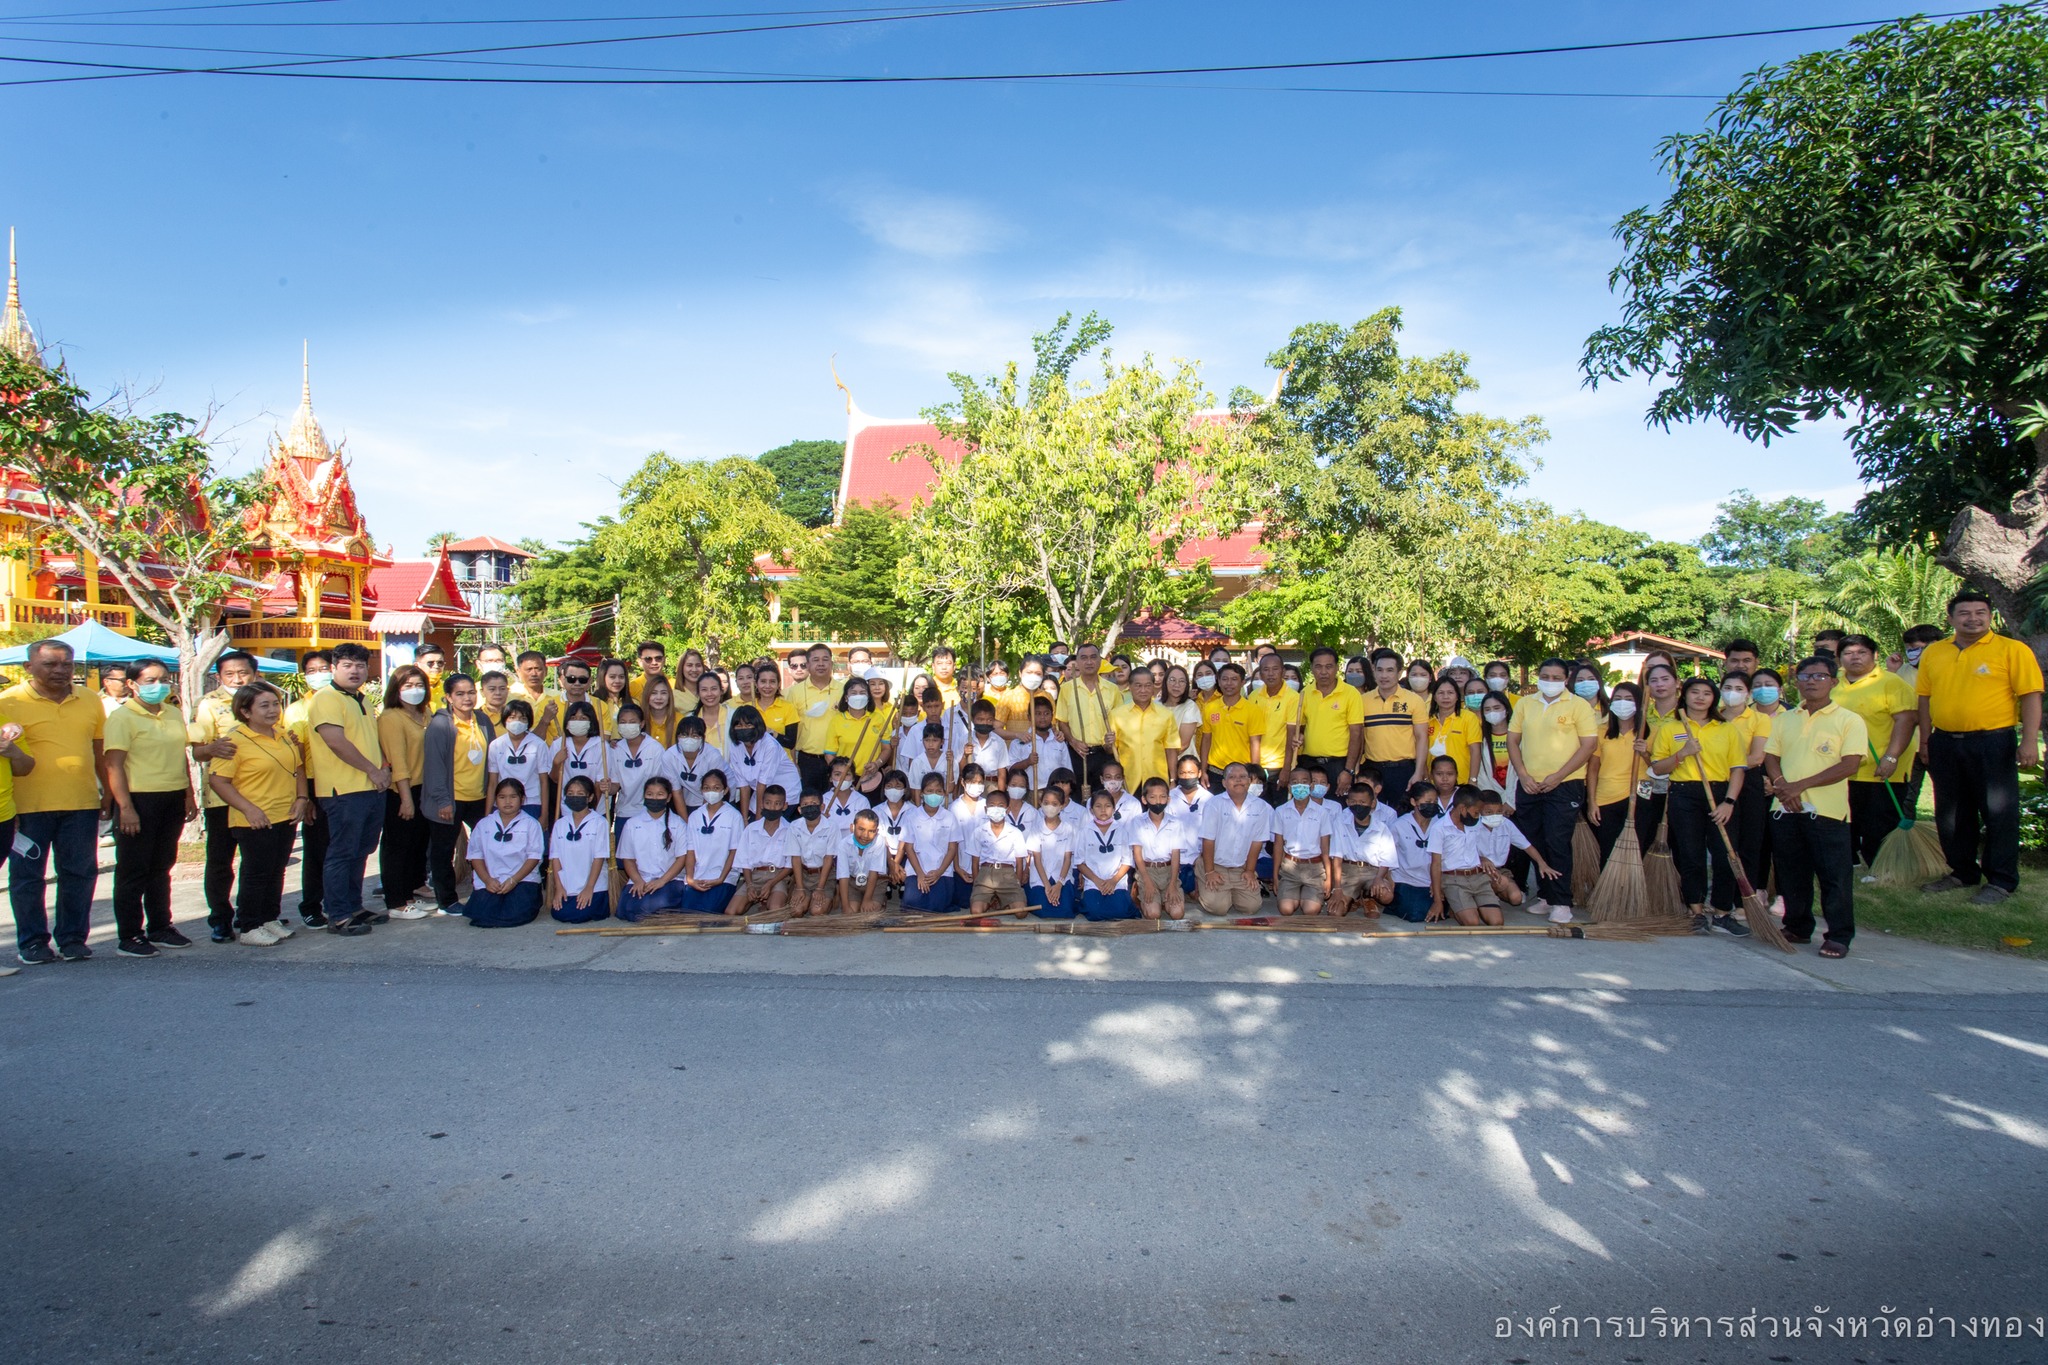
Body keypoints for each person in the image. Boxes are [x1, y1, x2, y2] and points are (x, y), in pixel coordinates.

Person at [1916, 590, 2044, 904]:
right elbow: (1924, 698)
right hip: (1945, 742)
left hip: (1993, 742)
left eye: (1980, 612)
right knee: (1951, 814)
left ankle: (2001, 881)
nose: (1973, 618)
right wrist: (1925, 739)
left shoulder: (2012, 650)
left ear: (1990, 616)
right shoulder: (1934, 652)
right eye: (1965, 613)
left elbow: (2030, 696)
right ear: (1951, 618)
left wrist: (2029, 741)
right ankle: (1962, 872)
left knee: (1998, 812)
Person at [3, 639, 106, 964]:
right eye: (50, 664)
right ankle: (32, 942)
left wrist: (110, 793)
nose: (60, 670)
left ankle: (73, 938)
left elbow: (99, 750)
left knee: (80, 872)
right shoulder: (8, 702)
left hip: (82, 802)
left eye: (67, 664)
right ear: (28, 667)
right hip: (27, 807)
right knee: (27, 878)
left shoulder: (90, 699)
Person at [1765, 655, 1868, 957]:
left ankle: (1838, 935)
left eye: (1819, 676)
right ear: (1796, 682)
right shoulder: (1785, 718)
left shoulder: (1848, 720)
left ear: (1834, 682)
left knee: (1833, 876)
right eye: (1805, 676)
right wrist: (1783, 785)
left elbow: (1849, 765)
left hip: (1828, 812)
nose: (1811, 681)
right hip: (1784, 808)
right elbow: (1772, 756)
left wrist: (1800, 785)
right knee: (1791, 873)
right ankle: (1797, 926)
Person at [102, 660, 195, 957]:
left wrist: (189, 794)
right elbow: (113, 765)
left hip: (171, 796)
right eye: (150, 680)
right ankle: (130, 934)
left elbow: (180, 754)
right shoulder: (122, 717)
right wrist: (125, 807)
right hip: (139, 799)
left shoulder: (172, 713)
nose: (158, 685)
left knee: (161, 866)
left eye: (163, 679)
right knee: (133, 870)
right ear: (132, 684)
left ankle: (161, 925)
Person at [205, 681, 308, 946]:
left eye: (275, 703)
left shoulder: (284, 734)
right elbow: (218, 781)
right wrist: (249, 808)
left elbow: (298, 768)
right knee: (256, 872)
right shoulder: (234, 741)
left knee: (277, 870)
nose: (273, 710)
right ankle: (250, 925)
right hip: (253, 818)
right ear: (246, 711)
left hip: (284, 813)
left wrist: (301, 798)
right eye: (264, 705)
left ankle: (268, 918)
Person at [1649, 676, 1751, 935]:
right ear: (1686, 695)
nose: (1700, 697)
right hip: (1684, 793)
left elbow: (1738, 768)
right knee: (1690, 854)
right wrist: (1682, 753)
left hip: (1719, 793)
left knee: (1724, 854)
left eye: (1707, 693)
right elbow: (1657, 767)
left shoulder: (1726, 728)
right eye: (1695, 692)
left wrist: (1729, 802)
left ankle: (1721, 911)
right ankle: (1695, 910)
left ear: (1714, 698)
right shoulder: (1672, 728)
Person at [304, 642, 390, 935]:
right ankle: (338, 913)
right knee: (341, 852)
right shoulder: (326, 699)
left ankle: (354, 906)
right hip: (343, 790)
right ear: (333, 668)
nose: (355, 671)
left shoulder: (363, 700)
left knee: (360, 852)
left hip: (371, 788)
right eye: (347, 665)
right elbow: (335, 741)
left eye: (360, 665)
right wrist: (372, 770)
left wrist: (383, 770)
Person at [1506, 658, 1599, 924]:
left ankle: (1561, 902)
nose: (1550, 680)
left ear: (1566, 679)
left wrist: (1558, 776)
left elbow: (1588, 746)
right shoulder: (1526, 704)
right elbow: (1513, 740)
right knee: (1534, 841)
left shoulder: (1578, 706)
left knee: (1557, 841)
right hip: (1529, 784)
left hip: (1564, 785)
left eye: (1557, 677)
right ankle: (1546, 896)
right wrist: (1523, 775)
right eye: (1545, 675)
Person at [1829, 634, 1920, 872]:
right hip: (1839, 769)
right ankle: (1850, 860)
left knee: (1879, 821)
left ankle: (1881, 866)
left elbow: (1907, 720)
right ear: (1839, 658)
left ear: (1875, 655)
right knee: (1844, 818)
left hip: (1880, 766)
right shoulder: (1831, 682)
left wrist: (1891, 756)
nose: (1855, 658)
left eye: (1862, 653)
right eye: (1848, 653)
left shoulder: (1891, 683)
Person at [188, 650, 260, 938]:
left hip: (261, 794)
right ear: (219, 676)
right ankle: (220, 916)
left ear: (254, 674)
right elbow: (197, 750)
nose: (237, 678)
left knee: (257, 860)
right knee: (221, 860)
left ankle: (252, 913)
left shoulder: (266, 700)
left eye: (242, 672)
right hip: (221, 796)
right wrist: (212, 749)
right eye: (229, 674)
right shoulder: (208, 704)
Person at [423, 673, 495, 914]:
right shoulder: (441, 724)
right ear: (449, 697)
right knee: (444, 851)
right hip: (451, 800)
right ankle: (447, 900)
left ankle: (484, 890)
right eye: (460, 694)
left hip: (480, 797)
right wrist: (443, 801)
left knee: (485, 847)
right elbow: (434, 766)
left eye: (471, 693)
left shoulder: (483, 720)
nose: (467, 698)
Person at [376, 664, 432, 918]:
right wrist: (406, 799)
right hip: (401, 790)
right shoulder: (390, 717)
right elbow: (397, 761)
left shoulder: (426, 713)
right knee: (398, 847)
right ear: (396, 690)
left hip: (425, 788)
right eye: (408, 686)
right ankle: (396, 902)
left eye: (419, 685)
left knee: (417, 844)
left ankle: (410, 893)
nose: (414, 690)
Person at [462, 778, 545, 927]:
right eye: (502, 797)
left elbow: (534, 857)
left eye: (513, 796)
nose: (507, 801)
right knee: (481, 913)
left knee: (515, 913)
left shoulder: (531, 824)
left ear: (522, 799)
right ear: (495, 800)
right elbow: (475, 855)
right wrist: (487, 880)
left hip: (521, 880)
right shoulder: (484, 824)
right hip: (492, 880)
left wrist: (514, 880)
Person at [1583, 680, 1644, 866]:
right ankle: (1609, 892)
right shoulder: (1602, 732)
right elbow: (1593, 769)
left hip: (1639, 797)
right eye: (1618, 698)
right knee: (1608, 852)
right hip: (1606, 798)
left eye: (1628, 698)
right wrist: (1592, 801)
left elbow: (1657, 766)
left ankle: (1634, 892)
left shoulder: (1648, 731)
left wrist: (1645, 752)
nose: (1623, 703)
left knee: (1638, 852)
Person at [1197, 762, 1271, 916]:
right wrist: (1210, 871)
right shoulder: (1214, 804)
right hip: (1215, 865)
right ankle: (1203, 877)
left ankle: (1229, 891)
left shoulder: (1261, 807)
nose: (1238, 780)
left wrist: (1250, 871)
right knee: (1219, 908)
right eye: (1232, 777)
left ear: (1249, 781)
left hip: (1241, 867)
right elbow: (1208, 841)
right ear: (1224, 783)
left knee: (1252, 907)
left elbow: (1257, 842)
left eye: (1243, 777)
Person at [1427, 784, 1506, 926]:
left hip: (1478, 877)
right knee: (1472, 923)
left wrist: (1483, 858)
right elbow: (1436, 863)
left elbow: (1476, 848)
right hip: (1454, 880)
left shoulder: (1475, 823)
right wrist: (1437, 900)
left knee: (1497, 922)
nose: (1478, 817)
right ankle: (1455, 908)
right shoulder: (1439, 828)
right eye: (1476, 813)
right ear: (1462, 809)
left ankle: (1464, 907)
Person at [1362, 648, 1429, 813]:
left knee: (1402, 817)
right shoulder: (1363, 701)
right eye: (1380, 670)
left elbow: (1422, 738)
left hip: (1403, 771)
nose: (1384, 675)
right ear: (1374, 671)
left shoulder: (1414, 701)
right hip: (1372, 770)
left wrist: (1419, 772)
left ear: (1399, 673)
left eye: (1390, 670)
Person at [1054, 642, 1123, 793]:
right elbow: (1062, 721)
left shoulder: (1112, 690)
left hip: (1104, 754)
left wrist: (1110, 744)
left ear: (1100, 661)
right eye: (1084, 658)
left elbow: (1120, 723)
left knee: (1104, 798)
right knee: (1077, 797)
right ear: (1077, 662)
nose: (1089, 662)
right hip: (1077, 753)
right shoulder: (1067, 689)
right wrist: (1073, 741)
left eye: (1093, 657)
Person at [617, 775, 687, 920]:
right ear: (644, 797)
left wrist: (662, 881)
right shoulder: (632, 824)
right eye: (650, 794)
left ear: (668, 798)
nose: (654, 798)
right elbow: (628, 859)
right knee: (626, 909)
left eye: (660, 794)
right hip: (641, 879)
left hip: (669, 880)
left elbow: (682, 859)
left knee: (650, 906)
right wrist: (637, 881)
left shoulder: (678, 824)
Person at [1326, 775, 1394, 916]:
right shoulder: (1340, 823)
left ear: (1372, 803)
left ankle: (1368, 897)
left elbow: (1387, 859)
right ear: (1348, 802)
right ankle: (1354, 898)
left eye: (1363, 802)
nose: (1358, 806)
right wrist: (1337, 888)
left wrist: (1379, 878)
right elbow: (1337, 857)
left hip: (1372, 871)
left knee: (1387, 896)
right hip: (1348, 871)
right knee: (1335, 913)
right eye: (1354, 802)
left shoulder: (1381, 828)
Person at [549, 774, 612, 923]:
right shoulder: (560, 824)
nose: (574, 797)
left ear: (589, 798)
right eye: (570, 794)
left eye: (580, 794)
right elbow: (555, 857)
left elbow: (599, 857)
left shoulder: (599, 822)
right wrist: (559, 888)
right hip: (567, 885)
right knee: (559, 913)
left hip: (593, 885)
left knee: (580, 915)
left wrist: (588, 888)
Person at [1271, 764, 1333, 915]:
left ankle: (1306, 895)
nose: (1300, 786)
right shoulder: (1281, 811)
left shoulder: (1322, 813)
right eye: (1295, 782)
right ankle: (1294, 894)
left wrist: (1329, 878)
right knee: (1286, 910)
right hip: (1289, 867)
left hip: (1315, 868)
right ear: (1290, 786)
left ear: (1311, 786)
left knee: (1311, 910)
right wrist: (1275, 875)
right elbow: (1278, 845)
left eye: (1304, 782)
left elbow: (1325, 847)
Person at [724, 704, 801, 821]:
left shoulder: (770, 745)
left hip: (785, 792)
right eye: (739, 725)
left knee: (767, 826)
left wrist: (758, 820)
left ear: (757, 725)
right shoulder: (735, 746)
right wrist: (744, 820)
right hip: (761, 793)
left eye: (748, 724)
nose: (743, 728)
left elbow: (762, 783)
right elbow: (743, 786)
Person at [1108, 666, 1177, 794]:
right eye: (1138, 686)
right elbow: (1110, 749)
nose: (1143, 690)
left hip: (1157, 781)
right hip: (1128, 782)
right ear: (1130, 686)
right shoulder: (1116, 715)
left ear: (1153, 687)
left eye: (1148, 685)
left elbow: (1171, 749)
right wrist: (1107, 742)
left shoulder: (1166, 715)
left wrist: (1172, 780)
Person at [787, 642, 844, 795]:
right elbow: (790, 730)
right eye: (815, 660)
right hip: (807, 760)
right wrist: (794, 763)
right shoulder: (794, 693)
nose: (821, 664)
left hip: (838, 759)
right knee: (809, 803)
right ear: (808, 664)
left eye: (825, 659)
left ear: (831, 663)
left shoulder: (843, 690)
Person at [681, 772, 742, 914]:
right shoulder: (695, 816)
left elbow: (734, 851)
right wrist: (690, 878)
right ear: (701, 790)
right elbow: (690, 851)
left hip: (723, 878)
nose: (711, 792)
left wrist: (720, 879)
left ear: (725, 790)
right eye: (707, 788)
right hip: (698, 876)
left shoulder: (734, 816)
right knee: (688, 912)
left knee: (708, 911)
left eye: (716, 788)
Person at [901, 772, 961, 911]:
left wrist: (939, 872)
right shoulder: (911, 816)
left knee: (936, 906)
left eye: (938, 791)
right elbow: (908, 848)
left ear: (944, 793)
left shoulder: (949, 817)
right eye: (929, 791)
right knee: (912, 904)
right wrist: (920, 874)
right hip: (917, 871)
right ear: (922, 793)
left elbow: (952, 849)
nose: (933, 794)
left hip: (942, 871)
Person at [1246, 652, 1302, 801]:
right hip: (1256, 765)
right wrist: (1253, 769)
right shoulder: (1253, 697)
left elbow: (1292, 735)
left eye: (1275, 669)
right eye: (1266, 669)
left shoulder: (1293, 698)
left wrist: (1286, 768)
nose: (1270, 674)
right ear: (1260, 672)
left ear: (1282, 672)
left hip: (1279, 766)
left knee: (1279, 811)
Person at [825, 674, 891, 799]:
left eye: (862, 692)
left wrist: (877, 764)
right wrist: (840, 774)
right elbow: (829, 753)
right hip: (845, 780)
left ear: (868, 697)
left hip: (872, 777)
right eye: (853, 693)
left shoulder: (877, 719)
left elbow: (886, 748)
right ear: (846, 697)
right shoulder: (837, 720)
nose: (858, 696)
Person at [964, 788, 1030, 914]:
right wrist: (977, 883)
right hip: (985, 874)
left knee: (1021, 913)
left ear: (1008, 809)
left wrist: (1018, 882)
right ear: (985, 810)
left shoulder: (1015, 832)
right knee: (976, 912)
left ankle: (1002, 901)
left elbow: (1019, 862)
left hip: (1008, 875)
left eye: (1000, 806)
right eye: (992, 806)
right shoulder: (979, 832)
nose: (996, 809)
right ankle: (991, 901)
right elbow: (974, 862)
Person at [731, 784, 794, 915]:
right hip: (754, 877)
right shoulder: (751, 829)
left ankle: (771, 901)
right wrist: (749, 885)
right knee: (731, 912)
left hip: (777, 876)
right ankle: (758, 901)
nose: (772, 807)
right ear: (761, 804)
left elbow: (790, 866)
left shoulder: (790, 830)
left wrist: (771, 883)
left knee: (775, 910)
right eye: (768, 803)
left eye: (777, 804)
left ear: (785, 806)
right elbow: (744, 861)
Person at [1073, 790, 1135, 920]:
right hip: (1094, 882)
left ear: (1114, 808)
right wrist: (1097, 881)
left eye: (1107, 806)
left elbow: (1127, 861)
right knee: (1094, 913)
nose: (1103, 810)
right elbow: (1080, 862)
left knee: (1121, 911)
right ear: (1091, 810)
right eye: (1098, 806)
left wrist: (1113, 881)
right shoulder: (1084, 832)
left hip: (1116, 882)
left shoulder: (1121, 831)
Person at [487, 699, 551, 820]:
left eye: (523, 718)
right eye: (512, 717)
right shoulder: (496, 745)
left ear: (529, 722)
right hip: (503, 802)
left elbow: (544, 782)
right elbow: (492, 783)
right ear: (505, 719)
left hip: (532, 802)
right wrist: (488, 814)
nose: (517, 722)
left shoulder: (538, 744)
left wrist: (544, 814)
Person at [1385, 781, 1439, 923]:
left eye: (1435, 801)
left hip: (1432, 880)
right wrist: (1390, 881)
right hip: (1405, 879)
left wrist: (1438, 883)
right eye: (1428, 801)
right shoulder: (1399, 825)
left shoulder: (1439, 824)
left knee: (1439, 907)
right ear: (1414, 802)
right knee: (1415, 914)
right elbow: (1387, 855)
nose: (1432, 805)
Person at [1199, 662, 1257, 792]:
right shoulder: (1210, 708)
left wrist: (1254, 774)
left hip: (1242, 773)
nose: (1229, 683)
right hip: (1215, 772)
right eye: (1224, 679)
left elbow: (1255, 744)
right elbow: (1206, 740)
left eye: (1234, 679)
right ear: (1218, 682)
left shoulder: (1253, 710)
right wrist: (1203, 770)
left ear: (1242, 682)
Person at [1026, 785, 1078, 918]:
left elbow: (1067, 859)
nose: (1050, 807)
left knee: (1065, 911)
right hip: (1041, 878)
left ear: (1062, 806)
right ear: (1041, 804)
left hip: (1062, 878)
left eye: (1054, 804)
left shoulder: (1069, 829)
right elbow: (1037, 860)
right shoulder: (1036, 828)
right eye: (1046, 803)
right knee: (1044, 911)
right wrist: (1048, 886)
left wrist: (1059, 885)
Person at [788, 789, 839, 916]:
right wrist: (799, 888)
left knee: (817, 911)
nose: (810, 807)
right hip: (803, 875)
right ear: (799, 809)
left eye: (813, 803)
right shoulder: (794, 827)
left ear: (822, 807)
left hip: (824, 876)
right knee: (796, 911)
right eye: (805, 805)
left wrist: (820, 888)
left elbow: (828, 859)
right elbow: (795, 858)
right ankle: (804, 894)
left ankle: (831, 897)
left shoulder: (832, 827)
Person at [1427, 675, 1483, 785]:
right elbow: (1422, 750)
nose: (1445, 697)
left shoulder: (1469, 718)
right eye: (1441, 693)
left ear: (1457, 696)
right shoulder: (1428, 720)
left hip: (1462, 781)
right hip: (1433, 783)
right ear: (1434, 697)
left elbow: (1475, 751)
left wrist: (1473, 780)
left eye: (1450, 693)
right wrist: (1426, 778)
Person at [836, 808, 891, 914]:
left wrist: (867, 900)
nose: (866, 835)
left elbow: (874, 872)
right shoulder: (843, 845)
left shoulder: (879, 842)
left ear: (877, 831)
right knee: (851, 914)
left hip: (875, 883)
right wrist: (845, 906)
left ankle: (879, 900)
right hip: (853, 883)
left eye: (871, 831)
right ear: (852, 828)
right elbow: (843, 877)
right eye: (861, 829)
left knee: (867, 914)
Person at [669, 715, 726, 812]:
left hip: (716, 796)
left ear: (702, 737)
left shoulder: (713, 756)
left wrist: (699, 819)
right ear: (677, 736)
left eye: (695, 736)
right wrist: (686, 823)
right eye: (684, 735)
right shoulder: (669, 756)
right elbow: (677, 792)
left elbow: (712, 788)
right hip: (689, 797)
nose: (689, 740)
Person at [510, 650, 564, 742]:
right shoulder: (510, 696)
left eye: (538, 669)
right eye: (529, 669)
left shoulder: (558, 697)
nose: (534, 674)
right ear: (518, 672)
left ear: (546, 671)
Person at [639, 675, 681, 749]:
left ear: (669, 696)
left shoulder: (680, 720)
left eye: (663, 693)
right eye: (654, 693)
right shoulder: (638, 720)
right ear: (646, 695)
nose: (659, 697)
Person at [415, 643, 449, 709]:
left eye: (440, 663)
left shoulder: (449, 690)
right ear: (417, 666)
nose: (436, 666)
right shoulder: (411, 691)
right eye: (430, 663)